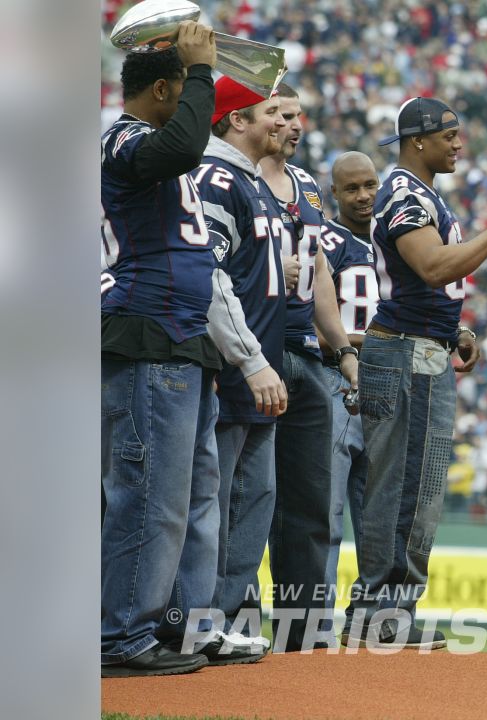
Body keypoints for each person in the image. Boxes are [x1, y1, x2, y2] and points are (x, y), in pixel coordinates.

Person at [346, 98, 487, 648]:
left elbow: (427, 282)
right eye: (450, 135)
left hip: (423, 347)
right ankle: (379, 612)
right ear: (419, 140)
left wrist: (451, 329)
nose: (459, 144)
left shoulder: (424, 193)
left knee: (421, 484)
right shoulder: (403, 192)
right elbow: (435, 266)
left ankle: (391, 609)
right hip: (402, 354)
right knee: (405, 484)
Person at [100, 24, 246, 677]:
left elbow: (187, 144)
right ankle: (119, 636)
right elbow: (185, 145)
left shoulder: (162, 143)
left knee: (188, 496)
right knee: (150, 493)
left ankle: (175, 624)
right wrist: (202, 67)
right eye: (186, 89)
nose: (198, 104)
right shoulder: (122, 138)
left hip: (184, 337)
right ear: (162, 89)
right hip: (149, 331)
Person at [258, 82, 360, 651]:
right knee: (245, 497)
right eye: (283, 114)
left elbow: (319, 273)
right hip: (255, 352)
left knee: (312, 503)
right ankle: (231, 618)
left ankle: (305, 630)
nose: (295, 125)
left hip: (306, 354)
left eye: (299, 115)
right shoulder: (232, 178)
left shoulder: (306, 190)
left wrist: (343, 350)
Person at [194, 74, 291, 651]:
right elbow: (208, 272)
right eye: (270, 112)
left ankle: (223, 620)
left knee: (252, 502)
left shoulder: (250, 181)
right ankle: (197, 619)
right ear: (236, 119)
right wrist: (248, 358)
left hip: (261, 368)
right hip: (233, 370)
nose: (284, 122)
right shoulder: (216, 176)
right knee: (217, 503)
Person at [318, 151, 381, 617]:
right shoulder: (326, 239)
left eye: (370, 186)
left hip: (387, 382)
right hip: (336, 377)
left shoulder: (398, 237)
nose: (363, 197)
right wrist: (362, 344)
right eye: (352, 189)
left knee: (380, 517)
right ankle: (315, 617)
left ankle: (374, 616)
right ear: (334, 194)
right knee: (327, 512)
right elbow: (314, 320)